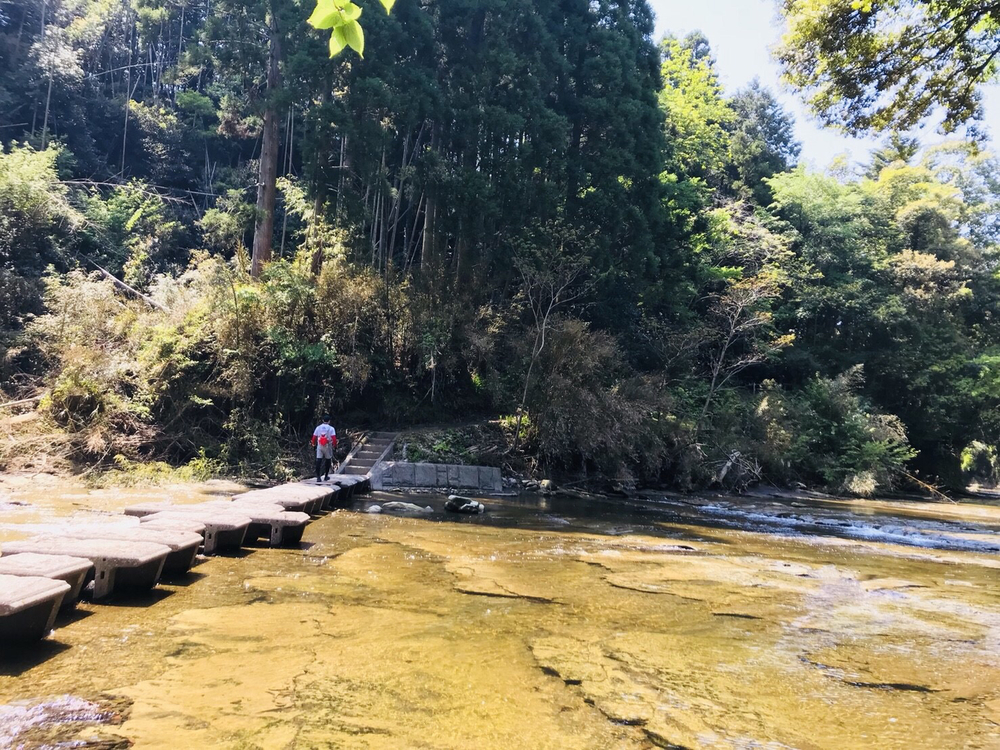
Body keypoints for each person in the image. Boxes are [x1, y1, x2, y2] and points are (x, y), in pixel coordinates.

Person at [311, 415, 338, 482]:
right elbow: (334, 439)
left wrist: (313, 445)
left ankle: (318, 477)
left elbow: (314, 438)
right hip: (327, 446)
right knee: (328, 461)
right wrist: (335, 446)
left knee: (318, 461)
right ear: (329, 421)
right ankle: (326, 476)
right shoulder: (331, 428)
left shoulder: (318, 428)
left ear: (323, 420)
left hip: (320, 446)